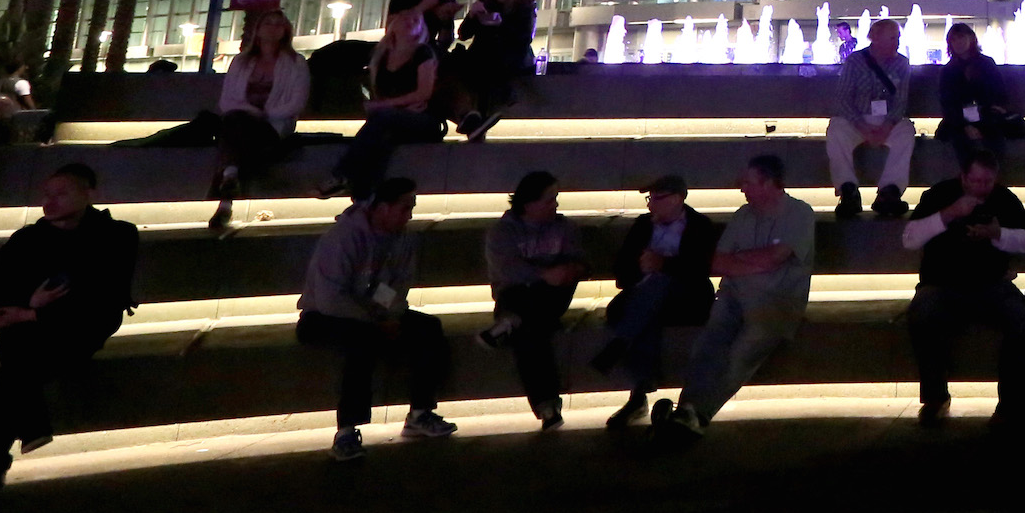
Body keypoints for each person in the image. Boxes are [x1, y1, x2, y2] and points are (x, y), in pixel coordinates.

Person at [0, 163, 140, 505]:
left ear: (90, 194)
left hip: (80, 328)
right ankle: (11, 444)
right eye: (46, 194)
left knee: (15, 361)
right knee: (18, 360)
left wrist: (30, 312)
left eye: (61, 193)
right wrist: (29, 303)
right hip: (27, 334)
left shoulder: (117, 235)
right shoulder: (26, 240)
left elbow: (102, 297)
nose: (50, 202)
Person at [658, 152, 816, 439]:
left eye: (747, 182)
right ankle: (687, 413)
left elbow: (775, 257)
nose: (741, 187)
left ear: (768, 184)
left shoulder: (800, 213)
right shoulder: (743, 215)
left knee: (741, 353)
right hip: (733, 297)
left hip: (777, 304)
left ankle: (695, 413)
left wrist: (742, 261)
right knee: (707, 345)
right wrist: (755, 262)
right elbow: (718, 263)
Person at [298, 177, 455, 461]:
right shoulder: (343, 238)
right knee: (360, 341)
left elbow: (397, 286)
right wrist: (374, 321)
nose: (409, 215)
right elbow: (330, 297)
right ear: (382, 207)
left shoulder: (402, 239)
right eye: (404, 208)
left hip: (373, 314)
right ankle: (346, 431)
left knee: (429, 328)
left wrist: (389, 315)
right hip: (323, 316)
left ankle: (420, 412)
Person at [902, 148, 1025, 427]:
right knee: (922, 314)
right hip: (941, 284)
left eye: (987, 182)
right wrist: (948, 214)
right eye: (975, 181)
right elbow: (910, 239)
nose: (981, 188)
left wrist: (998, 234)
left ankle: (1012, 407)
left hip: (991, 284)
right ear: (963, 177)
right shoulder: (939, 195)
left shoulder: (1004, 198)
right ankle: (935, 397)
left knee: (1023, 319)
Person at [593, 173, 720, 426]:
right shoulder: (643, 225)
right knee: (647, 311)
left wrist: (664, 265)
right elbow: (621, 271)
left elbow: (700, 269)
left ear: (676, 199)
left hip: (686, 298)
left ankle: (636, 393)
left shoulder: (700, 225)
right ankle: (638, 387)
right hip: (646, 296)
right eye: (649, 199)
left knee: (655, 292)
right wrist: (643, 267)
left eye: (656, 198)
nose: (650, 205)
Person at [480, 169, 585, 427]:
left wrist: (567, 271)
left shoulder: (564, 227)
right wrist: (544, 273)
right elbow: (508, 271)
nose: (556, 204)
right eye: (549, 199)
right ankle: (548, 406)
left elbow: (581, 263)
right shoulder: (502, 232)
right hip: (515, 297)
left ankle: (510, 322)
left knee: (529, 315)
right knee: (532, 330)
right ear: (529, 203)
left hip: (551, 296)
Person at [327, 0, 445, 202]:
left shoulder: (423, 53)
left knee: (382, 120)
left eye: (416, 21)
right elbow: (376, 95)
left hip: (423, 120)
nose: (410, 23)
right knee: (382, 140)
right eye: (405, 19)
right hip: (394, 120)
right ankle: (364, 200)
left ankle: (342, 175)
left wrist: (389, 107)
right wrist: (392, 109)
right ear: (393, 25)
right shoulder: (380, 56)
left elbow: (423, 93)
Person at [209, 7, 310, 228]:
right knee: (237, 125)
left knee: (233, 132)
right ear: (258, 30)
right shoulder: (241, 61)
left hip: (273, 126)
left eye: (278, 24)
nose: (273, 28)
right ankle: (229, 187)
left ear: (286, 31)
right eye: (268, 23)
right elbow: (226, 101)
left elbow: (297, 103)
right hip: (241, 122)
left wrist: (264, 114)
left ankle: (226, 193)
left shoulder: (296, 63)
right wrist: (250, 110)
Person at [828, 15, 915, 220]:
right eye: (892, 38)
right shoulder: (855, 61)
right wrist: (861, 126)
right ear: (875, 38)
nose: (897, 42)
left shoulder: (902, 63)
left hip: (887, 121)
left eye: (897, 38)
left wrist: (886, 126)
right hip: (857, 120)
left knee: (906, 130)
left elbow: (900, 101)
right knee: (836, 129)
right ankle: (848, 190)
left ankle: (889, 191)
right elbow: (843, 98)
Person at [935, 22, 1025, 171]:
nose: (958, 43)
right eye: (954, 40)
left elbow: (999, 93)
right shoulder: (947, 71)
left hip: (986, 115)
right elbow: (947, 104)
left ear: (971, 39)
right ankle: (969, 180)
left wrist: (993, 108)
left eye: (961, 38)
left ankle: (992, 180)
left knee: (993, 136)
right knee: (960, 139)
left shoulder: (986, 64)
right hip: (959, 120)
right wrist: (965, 125)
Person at [458, 0, 539, 130]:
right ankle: (475, 115)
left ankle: (478, 115)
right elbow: (463, 34)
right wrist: (472, 15)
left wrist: (501, 25)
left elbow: (524, 39)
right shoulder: (485, 3)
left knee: (488, 64)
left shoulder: (525, 5)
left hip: (510, 57)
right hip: (481, 55)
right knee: (461, 62)